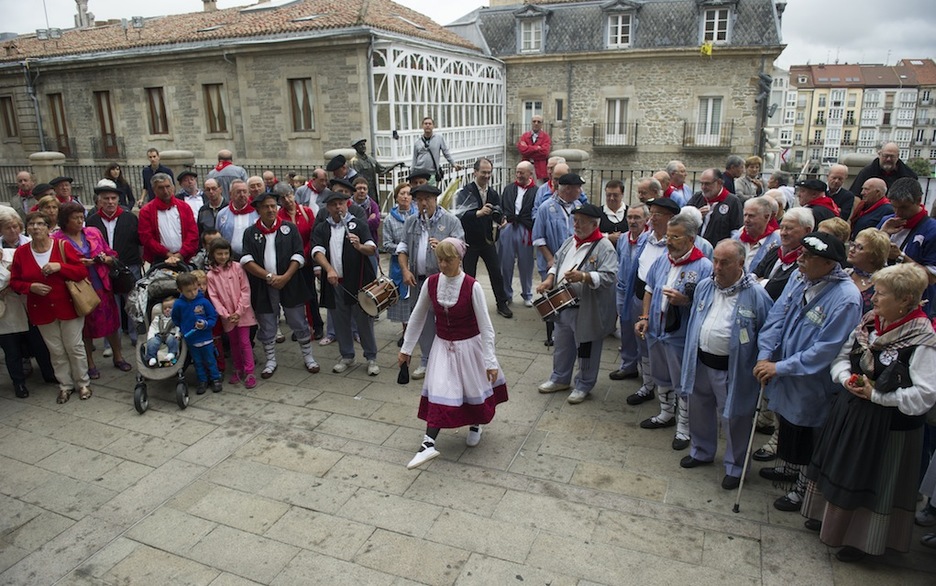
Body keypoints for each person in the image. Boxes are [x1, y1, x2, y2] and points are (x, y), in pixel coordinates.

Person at [803, 264, 936, 563]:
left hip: (890, 430)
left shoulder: (923, 340)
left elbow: (925, 395)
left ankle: (864, 543)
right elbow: (841, 357)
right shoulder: (871, 323)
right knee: (839, 468)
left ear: (905, 300)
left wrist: (877, 395)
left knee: (877, 483)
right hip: (852, 414)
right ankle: (828, 520)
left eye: (881, 293)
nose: (873, 298)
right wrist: (844, 378)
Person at [754, 231, 862, 513]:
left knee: (808, 433)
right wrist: (766, 353)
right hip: (783, 373)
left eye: (808, 256)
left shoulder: (846, 298)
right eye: (801, 253)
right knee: (788, 424)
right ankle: (790, 467)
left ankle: (803, 488)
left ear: (828, 263)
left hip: (812, 382)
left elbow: (825, 350)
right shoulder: (799, 277)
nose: (800, 259)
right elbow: (777, 317)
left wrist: (780, 367)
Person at [400, 238, 509, 469]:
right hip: (443, 346)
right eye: (439, 259)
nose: (442, 264)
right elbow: (418, 317)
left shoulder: (472, 286)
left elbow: (486, 327)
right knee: (439, 390)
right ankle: (427, 443)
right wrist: (406, 350)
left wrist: (490, 362)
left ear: (459, 259)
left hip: (470, 347)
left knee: (472, 390)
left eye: (448, 260)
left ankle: (475, 424)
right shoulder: (431, 283)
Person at [679, 239, 772, 489]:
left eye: (725, 262)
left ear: (741, 263)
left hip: (732, 369)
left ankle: (736, 466)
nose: (717, 267)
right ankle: (701, 451)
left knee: (736, 418)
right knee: (699, 409)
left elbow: (767, 331)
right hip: (700, 362)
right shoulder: (704, 286)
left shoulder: (756, 294)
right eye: (716, 261)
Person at [636, 211, 713, 450]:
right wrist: (645, 317)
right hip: (656, 331)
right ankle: (666, 413)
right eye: (668, 236)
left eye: (676, 237)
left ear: (691, 240)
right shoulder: (662, 260)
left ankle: (684, 427)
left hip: (681, 336)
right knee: (662, 376)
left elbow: (707, 303)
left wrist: (685, 301)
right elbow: (649, 289)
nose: (669, 241)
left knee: (683, 381)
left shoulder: (703, 266)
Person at [535, 204, 618, 405]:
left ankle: (584, 385)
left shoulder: (604, 246)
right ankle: (559, 378)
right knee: (562, 345)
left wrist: (584, 276)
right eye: (575, 220)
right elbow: (556, 262)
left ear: (593, 223)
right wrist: (549, 280)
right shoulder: (569, 242)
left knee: (587, 348)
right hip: (563, 304)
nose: (576, 224)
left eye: (581, 221)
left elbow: (609, 276)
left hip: (587, 309)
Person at [10, 211, 91, 403]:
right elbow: (14, 282)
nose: (36, 228)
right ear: (27, 228)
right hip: (42, 309)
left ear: (48, 228)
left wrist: (60, 267)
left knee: (74, 346)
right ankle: (65, 385)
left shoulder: (62, 246)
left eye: (40, 224)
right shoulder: (22, 252)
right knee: (55, 350)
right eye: (32, 224)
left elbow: (81, 271)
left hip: (68, 305)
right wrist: (31, 287)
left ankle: (83, 383)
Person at [242, 191, 319, 377]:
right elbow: (246, 259)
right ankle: (270, 360)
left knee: (298, 320)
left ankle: (308, 357)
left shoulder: (288, 229)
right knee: (267, 323)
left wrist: (285, 277)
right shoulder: (251, 233)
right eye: (266, 207)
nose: (270, 210)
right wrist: (268, 276)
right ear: (258, 210)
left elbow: (298, 254)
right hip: (263, 285)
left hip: (290, 283)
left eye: (273, 206)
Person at [54, 200, 132, 379]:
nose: (80, 221)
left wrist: (104, 259)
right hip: (78, 289)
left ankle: (118, 356)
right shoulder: (57, 240)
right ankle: (90, 362)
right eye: (75, 218)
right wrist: (76, 265)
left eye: (82, 217)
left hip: (101, 284)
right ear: (65, 220)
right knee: (86, 328)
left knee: (112, 323)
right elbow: (57, 264)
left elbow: (112, 255)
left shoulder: (93, 233)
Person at [396, 184, 465, 379]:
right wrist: (405, 270)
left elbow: (462, 248)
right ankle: (426, 360)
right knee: (424, 322)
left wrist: (444, 247)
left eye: (427, 199)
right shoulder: (411, 222)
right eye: (419, 200)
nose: (423, 203)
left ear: (435, 199)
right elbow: (402, 248)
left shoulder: (450, 221)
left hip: (444, 280)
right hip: (419, 280)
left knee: (448, 320)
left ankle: (451, 361)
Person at [311, 189, 379, 376]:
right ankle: (347, 355)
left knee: (363, 321)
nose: (337, 207)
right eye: (333, 204)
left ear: (346, 204)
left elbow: (371, 249)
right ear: (328, 207)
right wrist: (329, 269)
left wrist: (359, 246)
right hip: (335, 283)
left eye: (340, 203)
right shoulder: (322, 228)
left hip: (357, 282)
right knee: (340, 322)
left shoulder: (358, 224)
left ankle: (371, 357)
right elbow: (317, 251)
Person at [621, 198, 678, 404]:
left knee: (664, 350)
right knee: (642, 342)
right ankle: (647, 385)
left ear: (671, 218)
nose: (652, 218)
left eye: (658, 214)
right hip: (640, 295)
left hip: (663, 302)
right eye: (652, 213)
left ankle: (669, 397)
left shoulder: (677, 243)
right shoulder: (646, 238)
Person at [0, 208, 56, 398]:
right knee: (12, 348)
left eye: (16, 226)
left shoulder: (30, 245)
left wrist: (15, 282)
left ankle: (49, 374)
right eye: (8, 228)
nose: (13, 231)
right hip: (7, 307)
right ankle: (19, 383)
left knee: (39, 342)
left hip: (29, 301)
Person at [86, 180, 142, 347]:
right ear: (99, 201)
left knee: (132, 304)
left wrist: (139, 260)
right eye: (106, 198)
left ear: (118, 200)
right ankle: (110, 342)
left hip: (128, 266)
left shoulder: (130, 218)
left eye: (113, 198)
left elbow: (139, 242)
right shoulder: (92, 221)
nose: (110, 202)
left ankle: (135, 337)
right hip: (103, 269)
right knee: (109, 307)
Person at [532, 172, 586, 346]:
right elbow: (538, 238)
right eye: (579, 188)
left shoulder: (579, 206)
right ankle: (553, 335)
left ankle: (570, 331)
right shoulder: (545, 208)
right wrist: (550, 259)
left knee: (571, 299)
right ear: (568, 189)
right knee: (553, 299)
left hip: (574, 262)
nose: (581, 191)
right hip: (551, 262)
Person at [455, 157, 512, 318]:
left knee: (496, 273)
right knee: (469, 276)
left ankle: (502, 303)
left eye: (489, 173)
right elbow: (459, 214)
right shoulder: (465, 192)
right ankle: (468, 307)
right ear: (475, 172)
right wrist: (478, 213)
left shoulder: (493, 193)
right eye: (483, 173)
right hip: (469, 242)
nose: (486, 176)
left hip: (488, 241)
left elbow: (499, 212)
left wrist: (502, 220)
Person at [877, 177, 936, 317]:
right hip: (882, 298)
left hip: (913, 306)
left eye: (903, 207)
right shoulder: (887, 220)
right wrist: (881, 234)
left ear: (918, 200)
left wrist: (900, 257)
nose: (897, 213)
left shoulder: (932, 230)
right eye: (894, 206)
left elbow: (931, 278)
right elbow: (866, 257)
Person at [206, 238, 258, 389]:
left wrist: (239, 311)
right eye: (219, 254)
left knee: (244, 342)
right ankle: (238, 368)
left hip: (243, 313)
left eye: (226, 253)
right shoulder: (210, 275)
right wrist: (225, 314)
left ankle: (249, 371)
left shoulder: (237, 268)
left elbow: (245, 289)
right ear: (213, 255)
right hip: (227, 316)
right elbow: (214, 297)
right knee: (233, 343)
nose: (223, 256)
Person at [276, 182, 323, 340]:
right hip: (290, 264)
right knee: (295, 298)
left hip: (307, 261)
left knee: (310, 295)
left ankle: (316, 325)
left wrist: (303, 254)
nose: (287, 200)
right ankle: (300, 328)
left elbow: (314, 235)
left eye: (289, 195)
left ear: (293, 194)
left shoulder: (307, 212)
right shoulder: (279, 217)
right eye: (283, 198)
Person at [610, 202, 649, 381]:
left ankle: (647, 371)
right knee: (625, 329)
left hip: (640, 294)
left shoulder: (650, 240)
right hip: (622, 291)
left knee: (641, 332)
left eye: (637, 218)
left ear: (646, 219)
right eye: (630, 217)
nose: (632, 221)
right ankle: (628, 366)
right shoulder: (623, 238)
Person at [172, 272, 222, 395]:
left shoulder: (204, 302)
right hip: (191, 340)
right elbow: (175, 318)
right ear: (180, 290)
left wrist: (205, 324)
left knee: (210, 359)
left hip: (206, 338)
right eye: (189, 291)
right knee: (197, 362)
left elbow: (212, 317)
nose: (193, 293)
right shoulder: (178, 304)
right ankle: (202, 380)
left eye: (195, 289)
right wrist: (184, 328)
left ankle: (215, 378)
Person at [752, 207, 815, 301]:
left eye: (789, 228)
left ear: (807, 231)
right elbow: (753, 276)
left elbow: (774, 290)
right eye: (781, 228)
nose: (783, 233)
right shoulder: (775, 251)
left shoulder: (807, 260)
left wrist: (762, 282)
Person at [382, 183, 417, 346]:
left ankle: (420, 329)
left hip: (418, 263)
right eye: (402, 193)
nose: (405, 196)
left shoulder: (419, 215)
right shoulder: (390, 219)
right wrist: (403, 250)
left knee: (419, 296)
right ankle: (406, 332)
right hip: (399, 265)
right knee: (404, 299)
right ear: (396, 197)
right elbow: (386, 244)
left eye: (408, 193)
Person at [498, 161, 538, 307]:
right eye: (517, 172)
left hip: (525, 229)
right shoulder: (508, 189)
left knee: (526, 263)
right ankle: (507, 294)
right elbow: (502, 207)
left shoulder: (536, 191)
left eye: (522, 172)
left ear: (530, 173)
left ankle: (527, 294)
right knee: (505, 262)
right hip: (508, 227)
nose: (519, 175)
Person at [138, 173, 199, 265]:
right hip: (159, 259)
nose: (165, 191)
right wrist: (167, 254)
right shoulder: (146, 211)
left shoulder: (184, 207)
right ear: (154, 190)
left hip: (185, 258)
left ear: (173, 187)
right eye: (161, 188)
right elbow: (146, 237)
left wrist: (182, 253)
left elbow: (193, 233)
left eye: (168, 186)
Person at [687, 168, 742, 246]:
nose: (703, 187)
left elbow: (736, 231)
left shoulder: (732, 201)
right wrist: (696, 215)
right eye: (701, 183)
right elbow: (682, 220)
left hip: (719, 250)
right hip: (695, 248)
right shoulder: (697, 198)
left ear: (719, 182)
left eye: (707, 184)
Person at [846, 228, 891, 315]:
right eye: (853, 244)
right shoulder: (844, 274)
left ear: (874, 256)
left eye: (859, 247)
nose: (851, 249)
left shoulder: (883, 285)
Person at [849, 142, 919, 193]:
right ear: (879, 154)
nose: (888, 159)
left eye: (892, 156)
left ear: (898, 156)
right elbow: (855, 195)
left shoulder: (909, 176)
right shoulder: (866, 172)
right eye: (885, 156)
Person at [350, 137, 401, 206]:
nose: (363, 147)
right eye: (360, 145)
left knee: (374, 206)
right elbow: (357, 179)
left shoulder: (370, 159)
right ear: (356, 147)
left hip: (372, 188)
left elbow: (382, 169)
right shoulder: (355, 162)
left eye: (364, 144)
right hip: (362, 189)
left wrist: (395, 165)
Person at [733, 196, 780, 270]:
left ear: (767, 217)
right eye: (745, 215)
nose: (746, 220)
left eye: (751, 216)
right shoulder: (736, 239)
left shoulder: (777, 242)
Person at [215, 179, 258, 260]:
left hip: (253, 258)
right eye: (238, 192)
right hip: (229, 258)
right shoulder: (222, 214)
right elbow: (218, 237)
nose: (242, 195)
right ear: (230, 194)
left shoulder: (257, 212)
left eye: (244, 192)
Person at [411, 116, 462, 181]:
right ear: (422, 126)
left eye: (430, 124)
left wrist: (453, 163)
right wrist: (412, 173)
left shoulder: (439, 138)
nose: (427, 125)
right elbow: (414, 158)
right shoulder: (417, 141)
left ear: (433, 126)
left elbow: (446, 152)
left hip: (432, 173)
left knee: (431, 190)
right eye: (425, 124)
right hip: (419, 173)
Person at [143, 298, 180, 367]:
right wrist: (150, 337)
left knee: (173, 340)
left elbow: (179, 327)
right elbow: (153, 327)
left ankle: (172, 353)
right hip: (159, 335)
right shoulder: (158, 318)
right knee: (152, 343)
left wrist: (178, 334)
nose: (167, 310)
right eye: (165, 308)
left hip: (170, 334)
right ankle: (151, 358)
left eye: (170, 308)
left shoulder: (176, 318)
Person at [517, 115, 551, 182]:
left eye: (539, 122)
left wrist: (528, 149)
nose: (536, 123)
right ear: (531, 123)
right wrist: (536, 148)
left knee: (539, 189)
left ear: (542, 124)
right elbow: (522, 150)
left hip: (540, 169)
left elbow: (545, 152)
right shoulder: (525, 136)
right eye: (534, 121)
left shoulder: (545, 137)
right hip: (526, 167)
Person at [599, 179, 628, 246]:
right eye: (608, 195)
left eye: (615, 195)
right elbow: (591, 234)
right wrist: (607, 237)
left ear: (622, 195)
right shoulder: (598, 213)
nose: (611, 198)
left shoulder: (629, 212)